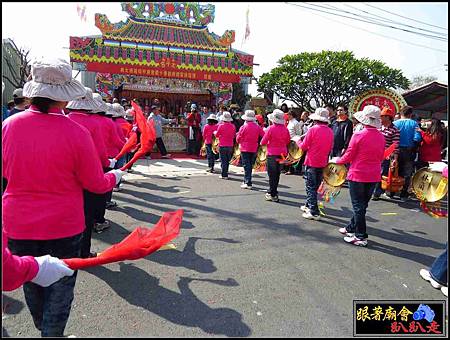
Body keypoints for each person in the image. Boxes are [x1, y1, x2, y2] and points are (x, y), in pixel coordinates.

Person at [2, 58, 123, 337]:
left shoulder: (9, 126)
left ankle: (44, 328)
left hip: (18, 223)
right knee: (61, 286)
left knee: (30, 281)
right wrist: (114, 177)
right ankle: (51, 332)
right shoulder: (76, 133)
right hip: (63, 226)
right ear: (65, 98)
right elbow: (95, 183)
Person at [67, 88, 114, 257]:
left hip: (68, 174)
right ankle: (83, 252)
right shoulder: (93, 123)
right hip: (90, 171)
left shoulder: (66, 120)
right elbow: (100, 151)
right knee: (85, 214)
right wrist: (108, 164)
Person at [336, 105, 385, 247]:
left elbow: (348, 155)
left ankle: (360, 236)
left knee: (358, 206)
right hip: (374, 175)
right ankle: (351, 228)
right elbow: (381, 156)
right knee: (362, 205)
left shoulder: (359, 135)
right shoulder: (381, 137)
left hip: (358, 174)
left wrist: (336, 161)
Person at [297, 108, 334, 220]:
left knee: (310, 187)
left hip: (312, 161)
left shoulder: (313, 129)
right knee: (315, 185)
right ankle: (309, 205)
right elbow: (331, 147)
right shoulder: (330, 131)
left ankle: (314, 211)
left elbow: (303, 146)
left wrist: (297, 140)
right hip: (323, 162)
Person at [260, 109, 291, 202]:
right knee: (277, 173)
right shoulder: (285, 129)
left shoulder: (270, 128)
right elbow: (288, 141)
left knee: (272, 174)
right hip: (282, 154)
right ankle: (273, 191)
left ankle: (273, 193)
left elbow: (263, 142)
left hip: (272, 153)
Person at [393, 106, 422, 201]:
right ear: (411, 114)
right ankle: (403, 194)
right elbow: (417, 138)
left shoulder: (394, 123)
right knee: (407, 173)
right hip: (409, 151)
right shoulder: (414, 124)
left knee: (394, 170)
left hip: (395, 150)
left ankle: (392, 191)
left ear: (401, 113)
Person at [372, 107, 400, 200]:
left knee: (381, 174)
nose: (380, 118)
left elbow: (395, 146)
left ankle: (377, 193)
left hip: (386, 156)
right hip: (375, 154)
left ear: (388, 117)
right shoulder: (378, 127)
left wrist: (395, 159)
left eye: (382, 116)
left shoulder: (394, 130)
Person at [236, 110, 265, 189]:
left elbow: (238, 139)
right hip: (254, 147)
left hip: (245, 147)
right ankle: (247, 180)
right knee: (250, 165)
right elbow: (263, 135)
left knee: (246, 165)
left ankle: (248, 182)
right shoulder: (257, 127)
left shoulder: (243, 127)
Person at [214, 111, 236, 179]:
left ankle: (224, 174)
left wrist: (215, 133)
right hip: (230, 145)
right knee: (227, 160)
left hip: (222, 145)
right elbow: (234, 136)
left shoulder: (221, 126)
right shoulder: (233, 126)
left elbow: (217, 135)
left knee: (223, 160)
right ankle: (225, 172)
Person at [286, 110, 302, 175]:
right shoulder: (290, 122)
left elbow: (299, 132)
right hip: (289, 140)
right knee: (290, 155)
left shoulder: (296, 123)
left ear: (292, 115)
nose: (288, 116)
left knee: (293, 156)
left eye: (289, 115)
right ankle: (289, 169)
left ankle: (292, 170)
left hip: (294, 140)